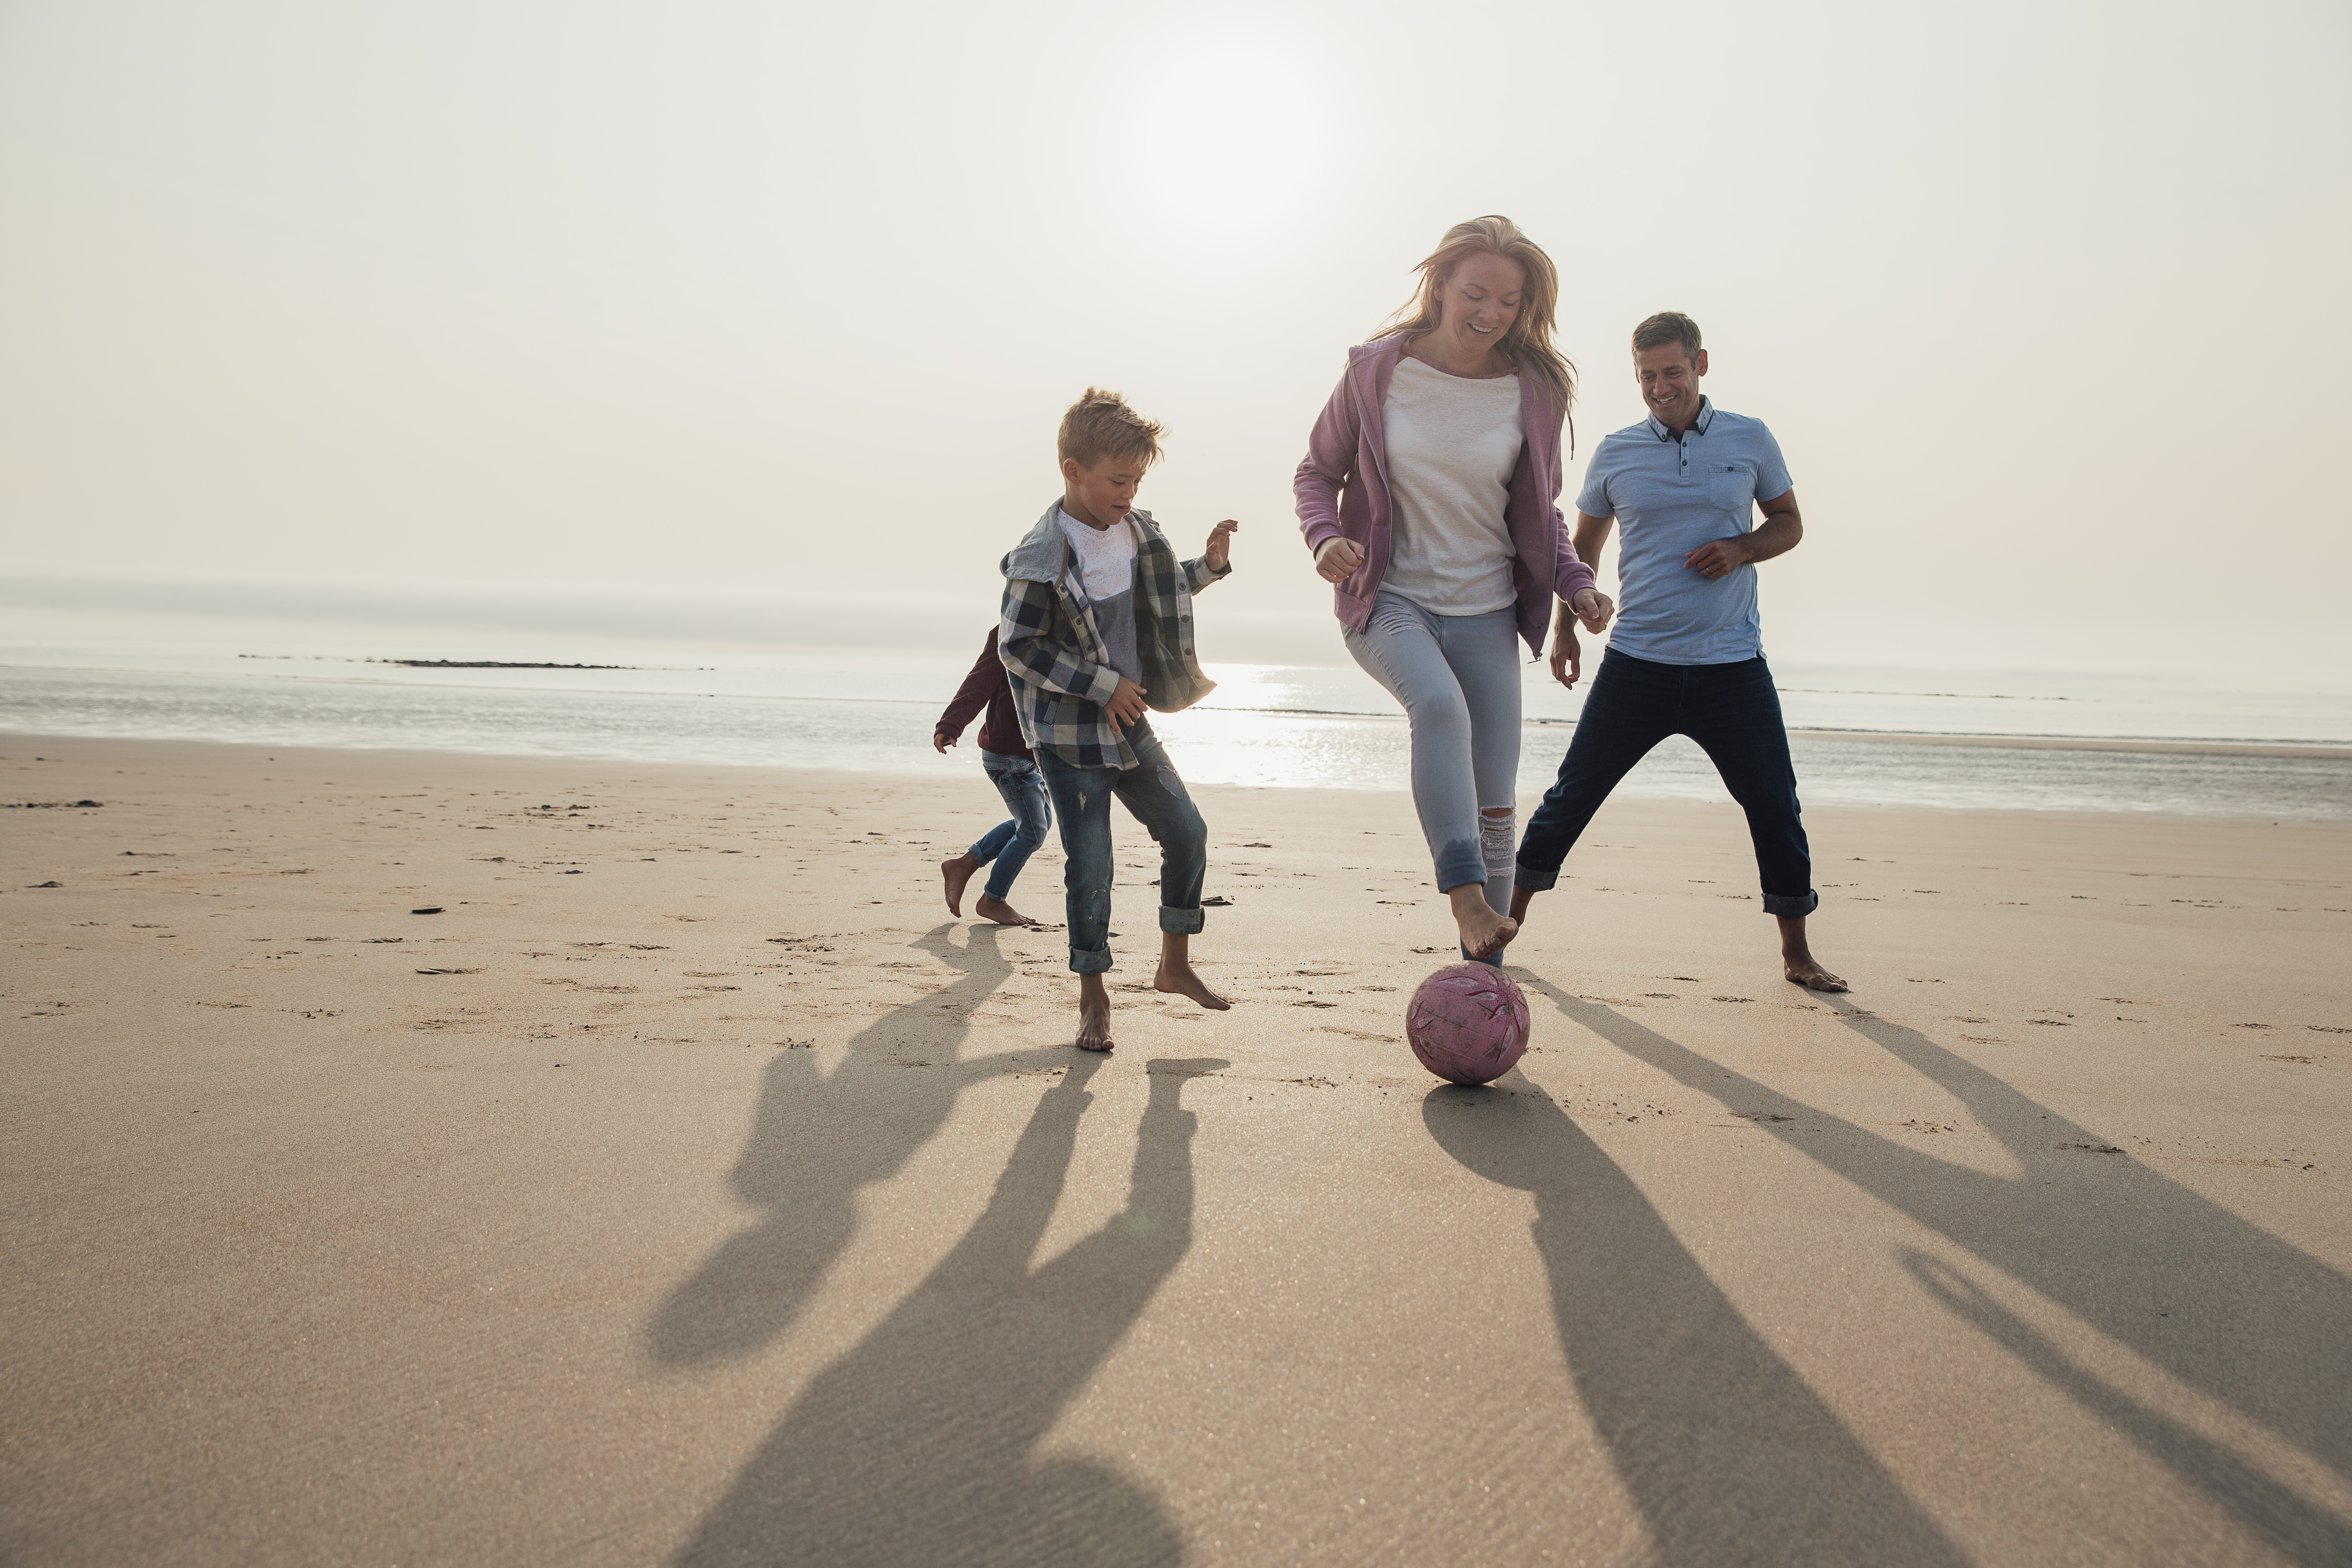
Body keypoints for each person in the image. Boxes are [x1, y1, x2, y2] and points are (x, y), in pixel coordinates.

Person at [1294, 215, 1612, 963]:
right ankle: (1465, 900)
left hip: (1486, 612)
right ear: (1438, 286)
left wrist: (1576, 585)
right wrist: (1324, 538)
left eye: (1509, 302)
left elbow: (1540, 514)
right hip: (1387, 597)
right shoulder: (1375, 372)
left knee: (1497, 807)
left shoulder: (1533, 390)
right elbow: (1316, 473)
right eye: (1475, 293)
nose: (1491, 314)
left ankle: (1487, 970)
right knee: (1435, 707)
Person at [1512, 312, 1847, 992]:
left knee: (1775, 805)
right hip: (1639, 665)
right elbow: (1581, 553)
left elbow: (1790, 524)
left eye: (1670, 371)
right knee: (1571, 797)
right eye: (1646, 376)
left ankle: (1796, 954)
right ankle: (1502, 925)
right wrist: (1566, 627)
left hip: (1733, 668)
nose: (1660, 387)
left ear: (1700, 364)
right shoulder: (1616, 452)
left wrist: (1742, 548)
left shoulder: (1750, 439)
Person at [999, 388, 1240, 1051]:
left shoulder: (1136, 531)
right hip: (1070, 739)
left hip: (1131, 724)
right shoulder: (1042, 555)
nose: (1129, 493)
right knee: (1092, 866)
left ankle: (1174, 964)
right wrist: (1102, 684)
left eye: (1136, 480)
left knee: (1188, 832)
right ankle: (1093, 998)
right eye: (1117, 480)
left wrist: (1210, 568)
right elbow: (1016, 648)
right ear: (1073, 471)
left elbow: (1159, 594)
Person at [934, 628, 1050, 927]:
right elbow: (980, 681)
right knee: (1033, 831)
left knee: (1038, 823)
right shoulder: (1012, 631)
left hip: (1037, 754)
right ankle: (993, 900)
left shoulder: (1071, 627)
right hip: (1008, 755)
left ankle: (963, 865)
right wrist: (951, 724)